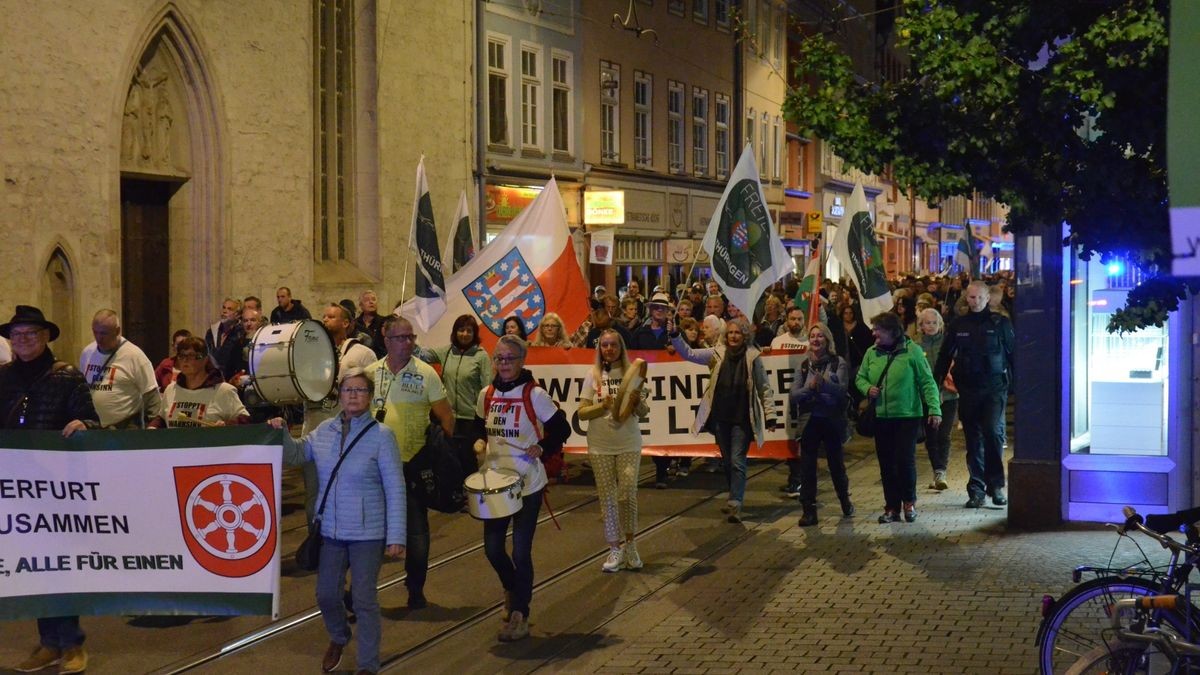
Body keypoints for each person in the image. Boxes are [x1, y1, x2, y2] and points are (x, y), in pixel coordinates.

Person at [269, 368, 405, 675]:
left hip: (368, 533)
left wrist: (396, 535)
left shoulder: (382, 437)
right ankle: (340, 636)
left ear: (370, 397)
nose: (353, 395)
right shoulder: (324, 431)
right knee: (326, 594)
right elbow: (296, 456)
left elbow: (395, 488)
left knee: (364, 598)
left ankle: (368, 665)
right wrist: (280, 432)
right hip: (330, 529)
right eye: (348, 390)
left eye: (360, 390)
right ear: (339, 396)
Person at [0, 305, 98, 674]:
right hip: (16, 489)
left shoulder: (67, 377)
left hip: (59, 490)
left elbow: (92, 420)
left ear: (45, 338)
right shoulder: (2, 378)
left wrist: (84, 423)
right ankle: (47, 643)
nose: (23, 340)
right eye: (17, 335)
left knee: (61, 565)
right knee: (34, 567)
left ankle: (71, 643)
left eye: (30, 334)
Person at [472, 335, 571, 641]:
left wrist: (543, 447)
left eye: (509, 359)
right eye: (498, 358)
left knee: (521, 551)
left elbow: (562, 427)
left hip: (527, 483)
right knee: (492, 549)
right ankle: (512, 588)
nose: (503, 364)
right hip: (495, 483)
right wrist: (477, 442)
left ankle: (519, 614)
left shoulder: (535, 394)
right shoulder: (486, 394)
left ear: (521, 361)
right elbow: (477, 428)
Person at [368, 315, 454, 609]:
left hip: (412, 465)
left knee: (416, 533)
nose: (407, 343)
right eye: (401, 338)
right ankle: (361, 593)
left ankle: (415, 587)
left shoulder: (426, 374)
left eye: (411, 337)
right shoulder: (370, 374)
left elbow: (446, 418)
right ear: (386, 339)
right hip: (376, 468)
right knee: (369, 533)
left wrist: (443, 456)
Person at [670, 317, 777, 523]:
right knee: (728, 461)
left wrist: (770, 415)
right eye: (730, 333)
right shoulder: (716, 354)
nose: (734, 336)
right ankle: (733, 493)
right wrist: (675, 336)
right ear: (725, 336)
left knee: (737, 460)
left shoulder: (753, 357)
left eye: (737, 333)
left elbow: (764, 388)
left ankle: (736, 501)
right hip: (721, 417)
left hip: (742, 419)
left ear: (744, 335)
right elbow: (690, 354)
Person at [933, 280, 1015, 508]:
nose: (976, 301)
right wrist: (935, 384)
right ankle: (976, 489)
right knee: (973, 439)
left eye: (980, 297)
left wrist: (1016, 388)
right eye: (971, 297)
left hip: (994, 388)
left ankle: (996, 485)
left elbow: (1013, 355)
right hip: (968, 389)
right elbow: (944, 356)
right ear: (966, 298)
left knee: (992, 433)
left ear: (988, 298)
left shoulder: (1001, 324)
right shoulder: (959, 325)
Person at [857, 312, 942, 524]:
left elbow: (927, 382)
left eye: (878, 329)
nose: (874, 332)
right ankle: (891, 507)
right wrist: (868, 388)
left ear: (892, 332)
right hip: (881, 417)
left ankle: (909, 502)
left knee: (905, 462)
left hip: (908, 416)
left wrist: (934, 409)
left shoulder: (912, 351)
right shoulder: (871, 353)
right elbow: (860, 377)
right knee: (886, 464)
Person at [301, 304, 379, 526]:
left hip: (349, 435)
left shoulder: (362, 353)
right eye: (323, 316)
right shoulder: (307, 355)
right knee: (314, 495)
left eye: (331, 316)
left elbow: (375, 392)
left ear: (346, 323)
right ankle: (316, 545)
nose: (325, 319)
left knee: (348, 494)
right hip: (315, 432)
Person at [577, 330, 648, 572]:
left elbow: (643, 412)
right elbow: (582, 412)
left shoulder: (633, 373)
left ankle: (631, 545)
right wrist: (602, 406)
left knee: (627, 493)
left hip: (628, 442)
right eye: (604, 345)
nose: (608, 349)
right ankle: (614, 549)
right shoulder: (593, 375)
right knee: (607, 498)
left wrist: (638, 401)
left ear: (621, 347)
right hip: (600, 446)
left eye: (613, 345)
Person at [790, 323, 854, 526]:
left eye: (820, 336)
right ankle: (808, 510)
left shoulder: (838, 363)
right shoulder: (803, 365)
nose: (815, 340)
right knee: (808, 468)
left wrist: (824, 384)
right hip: (809, 422)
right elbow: (794, 395)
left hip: (831, 421)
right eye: (812, 336)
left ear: (827, 340)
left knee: (836, 465)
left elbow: (841, 391)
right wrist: (811, 388)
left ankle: (844, 500)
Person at [417, 315, 493, 469]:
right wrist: (409, 340)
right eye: (461, 330)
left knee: (469, 460)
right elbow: (422, 355)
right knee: (448, 461)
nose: (464, 334)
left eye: (469, 331)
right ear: (455, 332)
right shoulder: (446, 352)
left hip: (471, 419)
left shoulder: (481, 356)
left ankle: (468, 492)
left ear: (474, 334)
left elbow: (488, 389)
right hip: (448, 418)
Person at [79, 309, 163, 428]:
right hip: (93, 426)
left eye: (104, 333)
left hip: (124, 427)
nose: (99, 338)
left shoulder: (134, 356)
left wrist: (152, 427)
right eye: (95, 332)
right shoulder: (87, 352)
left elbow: (151, 396)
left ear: (117, 331)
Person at [150, 337, 249, 427]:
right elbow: (162, 418)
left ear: (205, 359)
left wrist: (226, 425)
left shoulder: (223, 390)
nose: (185, 360)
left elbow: (246, 419)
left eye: (191, 355)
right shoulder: (171, 389)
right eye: (181, 355)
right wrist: (153, 427)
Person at [629, 293, 673, 487]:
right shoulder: (640, 333)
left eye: (662, 308)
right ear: (650, 310)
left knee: (663, 424)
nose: (659, 311)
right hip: (645, 385)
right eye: (656, 307)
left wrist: (676, 345)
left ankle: (662, 472)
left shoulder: (673, 333)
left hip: (667, 386)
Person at [916, 308, 958, 491]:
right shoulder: (916, 347)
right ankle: (937, 470)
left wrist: (943, 389)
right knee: (931, 436)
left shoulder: (948, 344)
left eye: (934, 322)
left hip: (948, 396)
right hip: (926, 398)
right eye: (927, 323)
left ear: (940, 324)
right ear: (921, 325)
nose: (931, 326)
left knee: (944, 435)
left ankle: (942, 470)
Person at [771, 306, 810, 497]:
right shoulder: (778, 342)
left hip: (802, 399)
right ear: (786, 320)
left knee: (801, 438)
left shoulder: (810, 342)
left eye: (800, 319)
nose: (796, 322)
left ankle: (798, 480)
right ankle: (794, 479)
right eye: (792, 319)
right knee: (788, 439)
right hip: (783, 401)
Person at [205, 297, 243, 378]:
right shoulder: (211, 332)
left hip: (232, 378)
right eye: (224, 307)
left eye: (230, 309)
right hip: (213, 377)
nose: (224, 311)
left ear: (238, 315)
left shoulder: (241, 333)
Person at [355, 290, 386, 357]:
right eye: (367, 300)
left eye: (374, 300)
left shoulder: (383, 322)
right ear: (361, 305)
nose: (371, 302)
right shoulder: (355, 324)